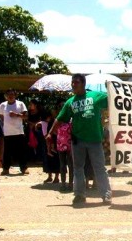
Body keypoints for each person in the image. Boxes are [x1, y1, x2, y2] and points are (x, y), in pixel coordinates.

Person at [45, 74, 112, 205]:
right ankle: (79, 195)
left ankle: (106, 194)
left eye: (76, 82)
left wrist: (111, 88)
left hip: (95, 140)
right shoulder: (70, 102)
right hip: (78, 141)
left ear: (83, 84)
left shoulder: (96, 95)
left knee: (100, 168)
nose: (73, 85)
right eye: (72, 82)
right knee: (78, 168)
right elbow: (59, 118)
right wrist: (49, 133)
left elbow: (113, 99)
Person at [0, 88, 28, 175]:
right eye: (8, 95)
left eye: (12, 95)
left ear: (15, 95)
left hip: (19, 131)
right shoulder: (3, 105)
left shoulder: (20, 104)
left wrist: (17, 115)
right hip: (7, 132)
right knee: (6, 152)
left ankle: (24, 168)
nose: (10, 96)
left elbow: (26, 117)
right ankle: (5, 168)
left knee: (21, 151)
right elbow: (0, 117)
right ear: (6, 96)